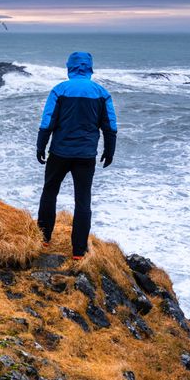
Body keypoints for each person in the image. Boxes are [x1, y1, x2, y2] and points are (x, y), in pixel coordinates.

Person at [35, 51, 117, 261]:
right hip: (86, 155)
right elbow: (110, 125)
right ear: (89, 67)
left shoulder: (59, 90)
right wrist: (110, 150)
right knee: (83, 200)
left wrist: (41, 145)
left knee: (49, 191)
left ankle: (44, 238)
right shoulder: (101, 93)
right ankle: (79, 251)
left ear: (70, 67)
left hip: (59, 152)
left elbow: (48, 121)